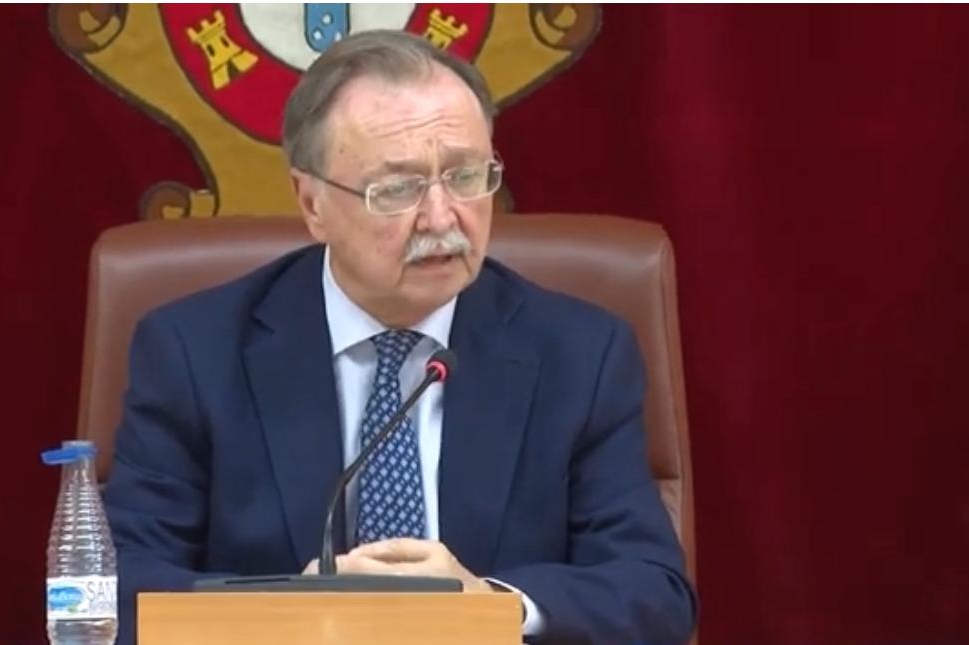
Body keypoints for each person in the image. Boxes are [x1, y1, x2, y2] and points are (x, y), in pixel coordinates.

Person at [103, 29, 696, 645]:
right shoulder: (194, 352)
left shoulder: (580, 355)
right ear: (312, 203)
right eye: (397, 189)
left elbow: (653, 593)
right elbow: (114, 589)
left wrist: (491, 606)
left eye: (466, 176)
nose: (441, 217)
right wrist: (287, 612)